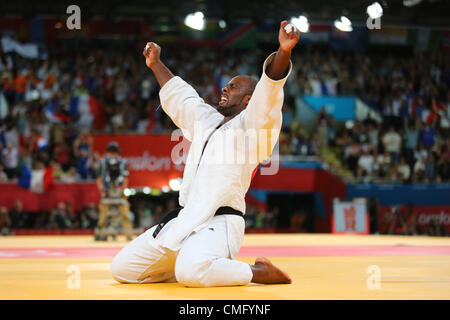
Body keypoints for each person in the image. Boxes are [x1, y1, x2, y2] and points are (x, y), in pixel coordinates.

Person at [110, 21, 298, 287]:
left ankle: (258, 273)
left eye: (233, 87)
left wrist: (284, 52)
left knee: (191, 273)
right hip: (185, 219)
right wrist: (155, 64)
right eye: (226, 85)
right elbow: (181, 97)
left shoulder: (253, 129)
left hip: (220, 221)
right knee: (122, 269)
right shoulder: (207, 120)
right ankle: (193, 261)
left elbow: (268, 95)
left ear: (248, 100)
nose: (224, 88)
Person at [95, 141, 132, 241]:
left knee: (125, 212)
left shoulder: (122, 162)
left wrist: (122, 191)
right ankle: (99, 234)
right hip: (107, 191)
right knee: (103, 214)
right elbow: (99, 179)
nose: (112, 155)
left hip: (118, 191)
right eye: (111, 152)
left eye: (114, 152)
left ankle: (128, 235)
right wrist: (102, 191)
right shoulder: (103, 163)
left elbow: (125, 179)